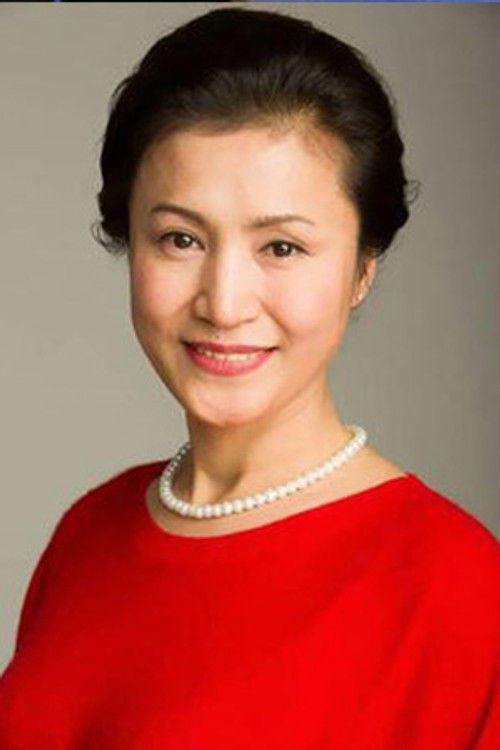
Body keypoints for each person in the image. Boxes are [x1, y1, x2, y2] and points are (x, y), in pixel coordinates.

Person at [0, 7, 498, 748]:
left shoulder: (460, 593)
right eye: (180, 238)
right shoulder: (88, 533)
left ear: (363, 268)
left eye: (282, 248)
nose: (224, 303)